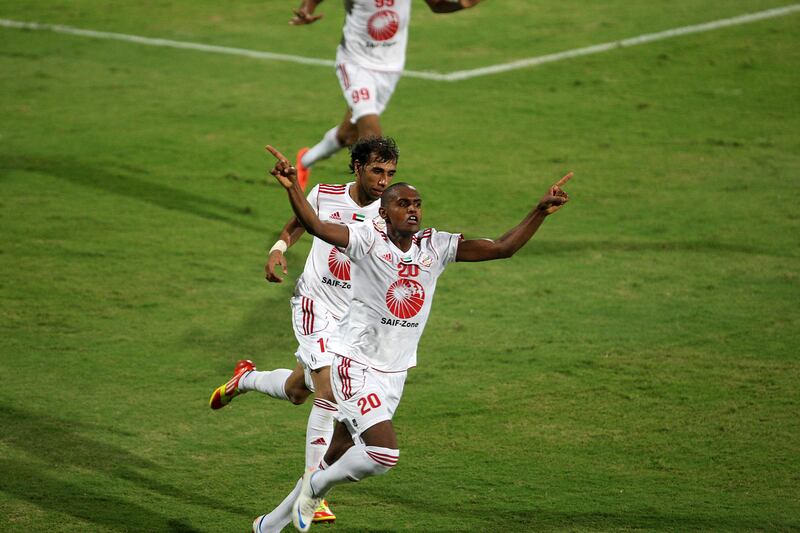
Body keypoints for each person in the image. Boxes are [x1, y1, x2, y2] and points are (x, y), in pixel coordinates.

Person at [253, 144, 572, 532]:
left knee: (337, 452)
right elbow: (317, 227)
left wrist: (539, 211)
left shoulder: (434, 246)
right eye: (403, 204)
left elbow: (502, 248)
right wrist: (292, 189)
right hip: (355, 364)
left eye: (417, 203)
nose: (413, 209)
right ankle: (315, 486)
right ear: (383, 214)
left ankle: (268, 525)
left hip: (394, 371)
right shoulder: (366, 241)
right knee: (383, 453)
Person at [208, 137, 398, 525]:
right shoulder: (326, 194)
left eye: (390, 173)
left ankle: (245, 379)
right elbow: (299, 223)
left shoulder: (391, 210)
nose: (383, 180)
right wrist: (278, 247)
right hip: (315, 304)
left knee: (299, 390)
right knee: (329, 389)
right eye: (377, 171)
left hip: (356, 319)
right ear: (358, 166)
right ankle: (315, 489)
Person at [288, 0, 484, 189]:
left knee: (348, 135)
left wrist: (462, 3)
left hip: (391, 67)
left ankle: (305, 161)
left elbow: (437, 4)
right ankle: (369, 210)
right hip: (356, 63)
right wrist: (306, 9)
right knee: (373, 137)